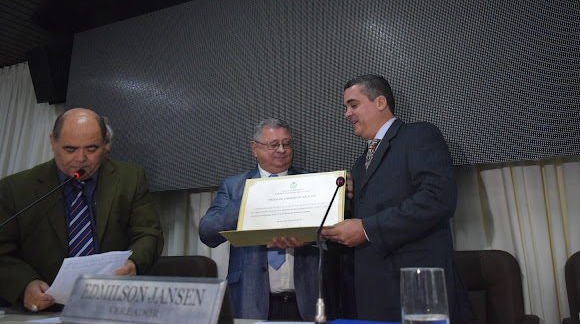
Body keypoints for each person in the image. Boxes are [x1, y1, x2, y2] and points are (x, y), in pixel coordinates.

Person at [321, 75, 473, 323]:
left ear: (380, 102)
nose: (347, 114)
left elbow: (438, 197)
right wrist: (315, 231)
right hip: (371, 297)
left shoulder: (419, 134)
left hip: (417, 290)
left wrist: (367, 229)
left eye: (353, 105)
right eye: (346, 107)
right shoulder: (359, 166)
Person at [0, 108, 164, 312]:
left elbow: (149, 233)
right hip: (45, 308)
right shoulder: (15, 189)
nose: (80, 158)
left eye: (91, 148)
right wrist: (25, 285)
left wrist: (134, 264)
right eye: (70, 149)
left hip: (112, 305)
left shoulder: (130, 179)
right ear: (53, 142)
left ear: (106, 144)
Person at [199, 118, 336, 321]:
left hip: (306, 302)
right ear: (255, 148)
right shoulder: (234, 186)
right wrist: (250, 199)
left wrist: (311, 241)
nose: (282, 150)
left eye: (287, 143)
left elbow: (334, 239)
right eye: (274, 144)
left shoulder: (313, 182)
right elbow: (207, 233)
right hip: (250, 302)